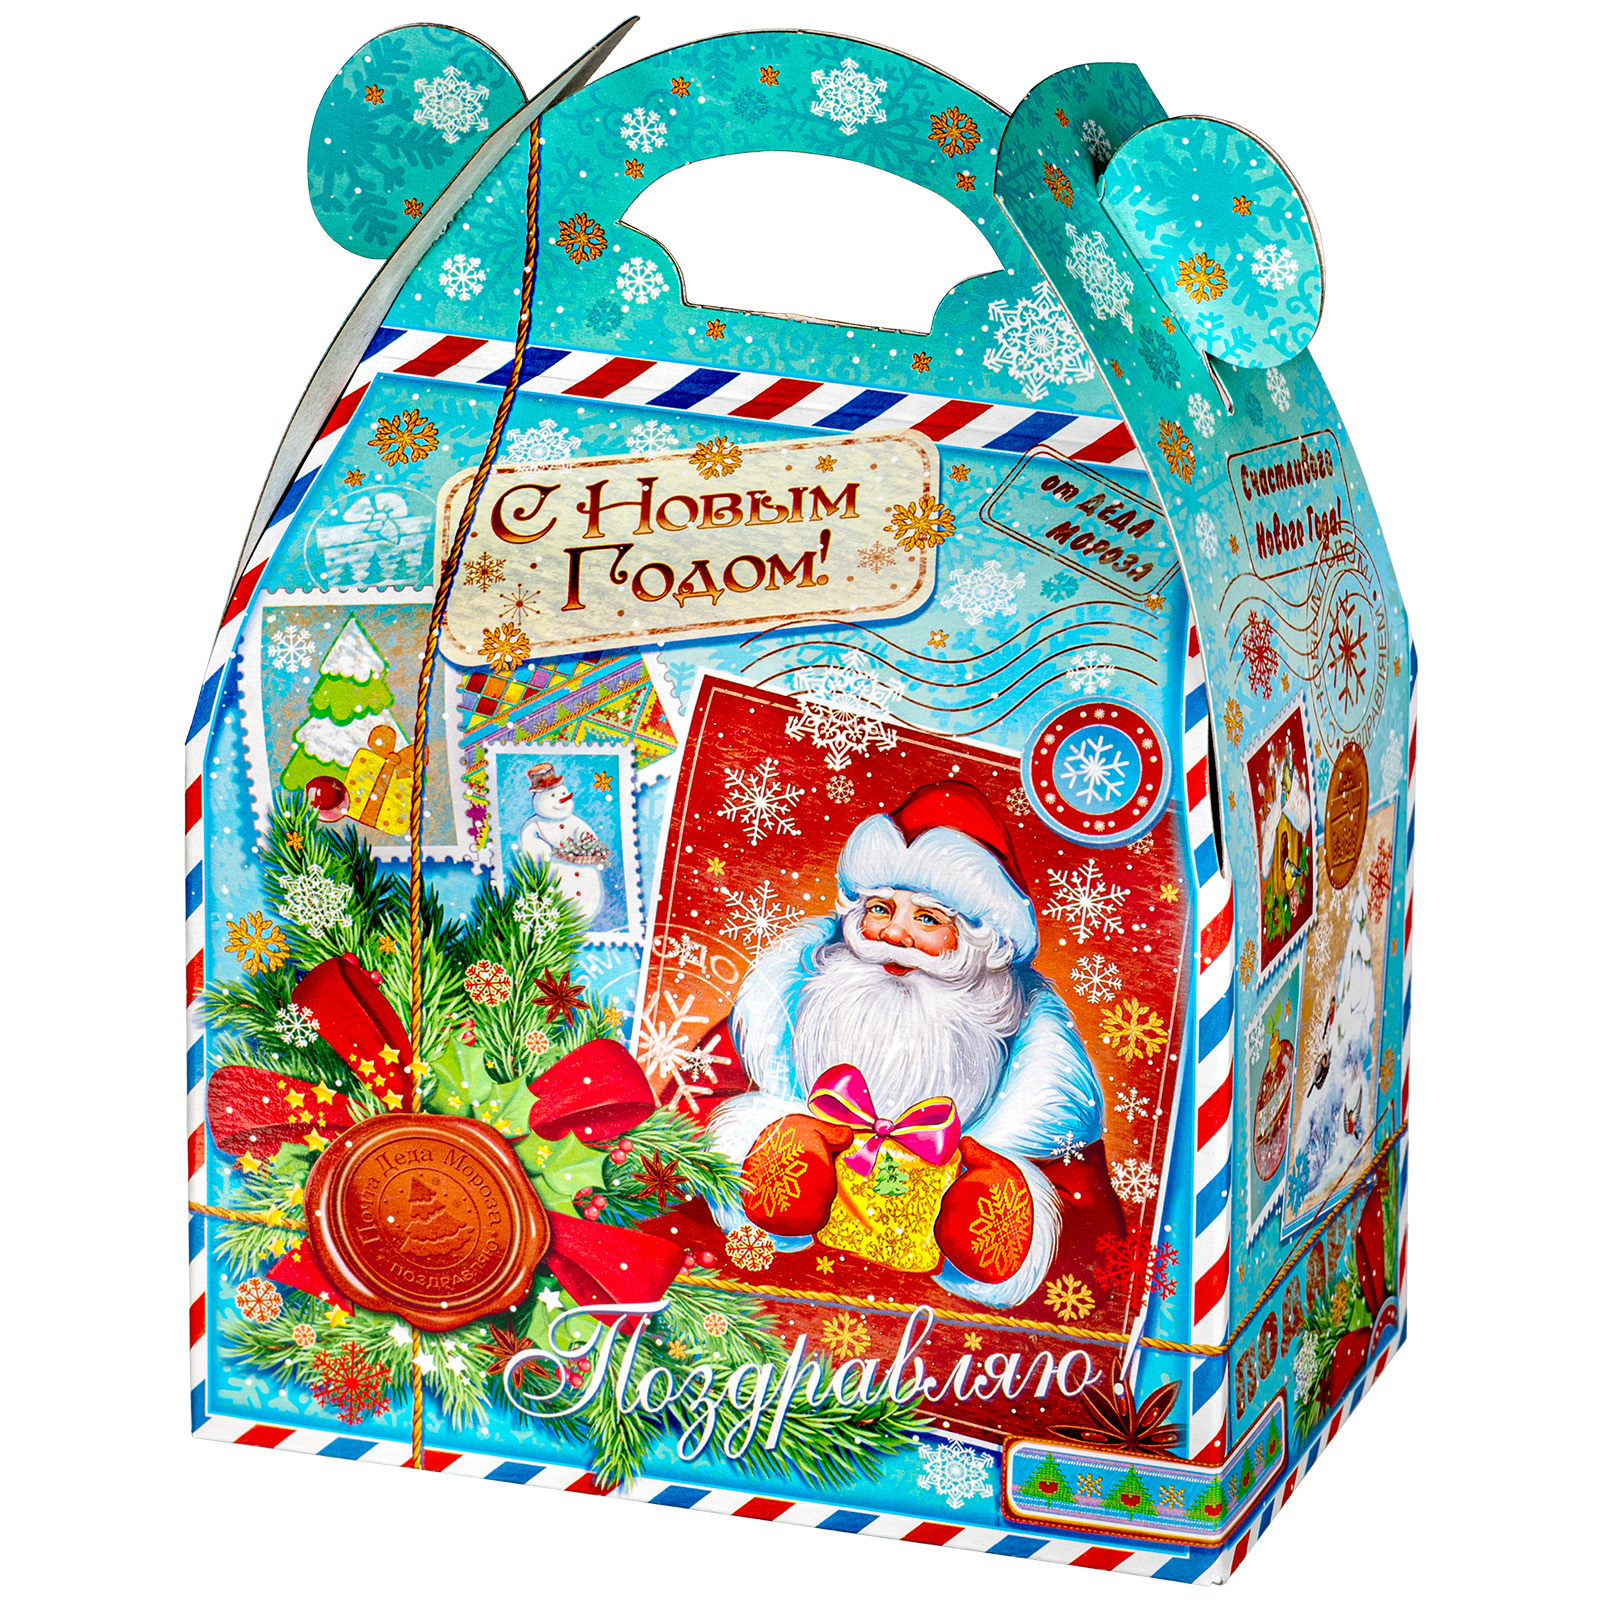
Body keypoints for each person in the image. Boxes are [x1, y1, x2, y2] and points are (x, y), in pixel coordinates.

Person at [697, 780, 1122, 1309]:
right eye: (879, 909)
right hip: (769, 1320)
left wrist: (1018, 1220)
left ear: (984, 945)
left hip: (940, 1341)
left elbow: (1099, 1267)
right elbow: (658, 1156)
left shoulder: (1045, 1093)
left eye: (927, 918)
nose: (894, 935)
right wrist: (754, 1151)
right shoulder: (770, 1021)